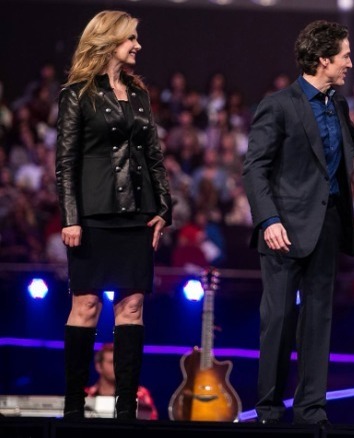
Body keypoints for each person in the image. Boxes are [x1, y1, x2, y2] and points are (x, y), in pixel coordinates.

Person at [242, 20, 354, 425]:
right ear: (323, 60)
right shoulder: (279, 104)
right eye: (345, 56)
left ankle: (311, 410)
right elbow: (254, 169)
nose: (350, 64)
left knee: (318, 320)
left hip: (326, 226)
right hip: (282, 230)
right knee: (280, 321)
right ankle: (268, 410)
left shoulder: (336, 103)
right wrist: (268, 219)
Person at [57, 10, 172, 420]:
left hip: (136, 215)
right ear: (109, 41)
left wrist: (164, 208)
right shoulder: (77, 93)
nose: (138, 45)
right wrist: (70, 217)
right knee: (86, 306)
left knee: (133, 306)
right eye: (131, 39)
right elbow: (66, 162)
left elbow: (153, 156)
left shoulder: (138, 93)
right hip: (92, 214)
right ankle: (74, 407)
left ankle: (127, 409)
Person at [85, 343, 158, 420]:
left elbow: (152, 423)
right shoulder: (85, 395)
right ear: (99, 366)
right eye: (112, 362)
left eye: (120, 362)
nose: (117, 367)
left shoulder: (140, 394)